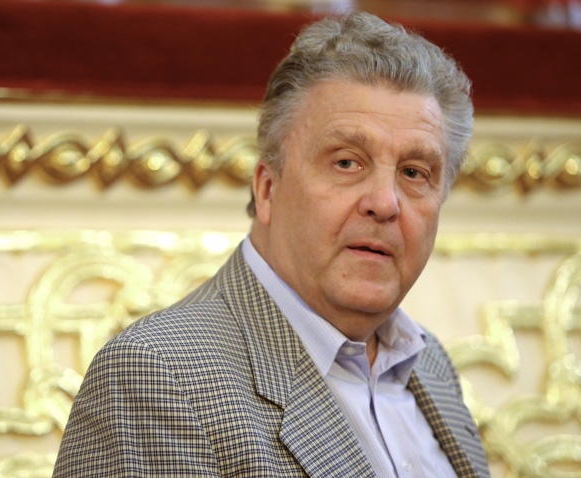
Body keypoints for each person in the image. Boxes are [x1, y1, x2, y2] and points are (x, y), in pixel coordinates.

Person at [54, 11, 490, 478]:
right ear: (267, 189)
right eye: (346, 162)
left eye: (414, 173)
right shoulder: (158, 376)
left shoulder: (429, 363)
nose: (385, 203)